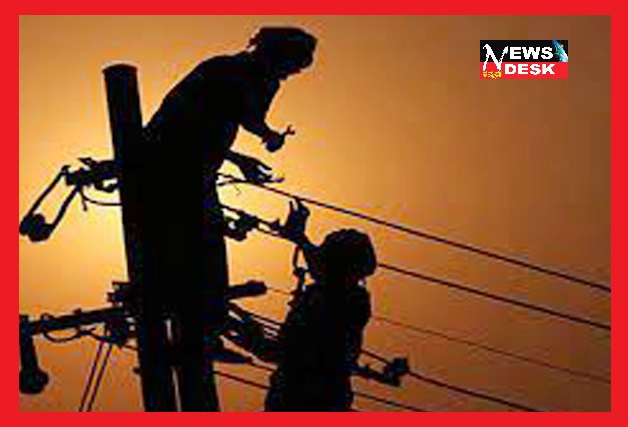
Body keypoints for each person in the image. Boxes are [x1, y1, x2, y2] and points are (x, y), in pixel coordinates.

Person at [142, 27, 317, 411]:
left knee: (200, 252)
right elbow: (198, 119)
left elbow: (238, 118)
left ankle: (197, 336)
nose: (290, 75)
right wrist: (256, 143)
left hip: (197, 171)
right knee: (199, 252)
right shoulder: (224, 70)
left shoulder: (258, 79)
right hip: (169, 168)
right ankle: (194, 338)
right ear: (274, 54)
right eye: (291, 65)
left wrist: (254, 147)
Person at [265, 200, 377, 412]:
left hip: (304, 399)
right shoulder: (347, 297)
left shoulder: (334, 301)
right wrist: (300, 238)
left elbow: (289, 352)